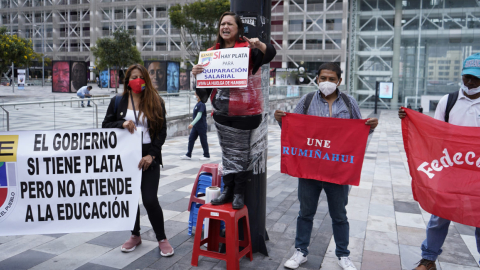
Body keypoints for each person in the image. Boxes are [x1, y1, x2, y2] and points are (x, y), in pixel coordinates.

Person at [274, 63, 378, 270]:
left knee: (339, 214)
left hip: (338, 170)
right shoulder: (307, 100)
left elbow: (359, 134)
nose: (327, 83)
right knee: (305, 213)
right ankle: (300, 252)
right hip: (309, 168)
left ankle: (343, 255)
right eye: (323, 78)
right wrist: (281, 121)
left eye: (331, 79)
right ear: (317, 80)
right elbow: (294, 129)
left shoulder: (349, 103)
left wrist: (369, 128)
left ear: (339, 81)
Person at [399, 53, 480, 270]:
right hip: (450, 167)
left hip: (478, 171)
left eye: (476, 78)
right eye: (467, 77)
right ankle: (428, 259)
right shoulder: (449, 101)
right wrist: (411, 120)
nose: (470, 82)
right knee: (440, 214)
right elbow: (434, 133)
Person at [192, 11, 276, 209]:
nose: (225, 27)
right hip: (222, 114)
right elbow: (203, 92)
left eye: (230, 24)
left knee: (242, 154)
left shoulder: (248, 50)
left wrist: (260, 45)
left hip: (246, 114)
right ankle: (228, 190)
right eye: (222, 24)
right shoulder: (211, 53)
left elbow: (270, 54)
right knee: (228, 154)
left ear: (238, 29)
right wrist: (197, 74)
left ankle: (238, 192)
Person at [102, 64, 174, 257]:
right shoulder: (118, 101)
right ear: (127, 81)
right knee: (130, 198)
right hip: (126, 156)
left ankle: (162, 238)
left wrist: (152, 155)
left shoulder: (156, 101)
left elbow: (162, 132)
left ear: (146, 80)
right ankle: (135, 235)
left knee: (150, 199)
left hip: (149, 154)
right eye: (133, 77)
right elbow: (105, 125)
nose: (137, 80)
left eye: (141, 77)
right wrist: (122, 123)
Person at [181, 92, 210, 161]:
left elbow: (199, 115)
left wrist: (192, 123)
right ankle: (188, 154)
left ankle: (206, 155)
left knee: (203, 140)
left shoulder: (202, 104)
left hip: (201, 126)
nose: (194, 96)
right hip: (196, 127)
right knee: (191, 139)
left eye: (195, 94)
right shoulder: (198, 104)